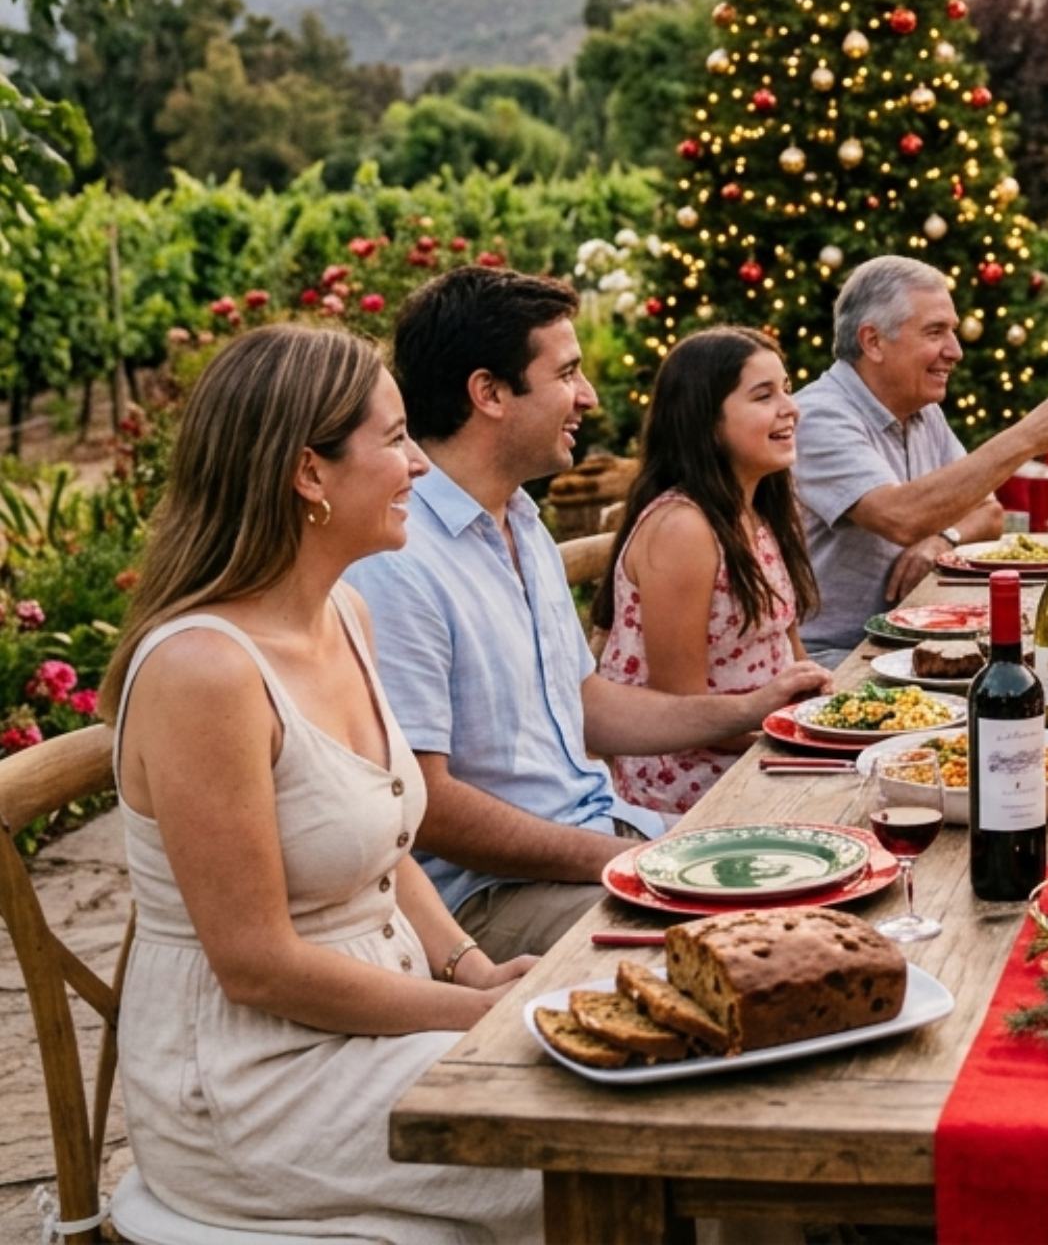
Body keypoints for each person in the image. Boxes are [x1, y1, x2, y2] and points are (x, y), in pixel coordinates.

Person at [103, 323, 540, 1240]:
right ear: (310, 473)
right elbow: (257, 965)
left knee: (638, 1088)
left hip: (379, 1024)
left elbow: (382, 843)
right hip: (257, 1083)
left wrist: (477, 967)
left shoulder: (344, 611)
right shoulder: (203, 673)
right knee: (601, 1137)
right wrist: (473, 1015)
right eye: (393, 439)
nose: (420, 463)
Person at [351, 268, 817, 961]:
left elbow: (585, 704)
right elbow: (427, 806)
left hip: (602, 830)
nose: (588, 397)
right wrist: (634, 856)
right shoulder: (402, 562)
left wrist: (757, 708)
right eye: (567, 373)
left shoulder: (520, 521)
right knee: (753, 948)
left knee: (813, 871)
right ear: (490, 394)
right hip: (494, 894)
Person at [795, 255, 1048, 657]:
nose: (955, 351)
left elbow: (988, 513)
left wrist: (943, 540)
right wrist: (1026, 437)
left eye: (952, 331)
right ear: (872, 341)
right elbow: (898, 517)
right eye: (935, 332)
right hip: (835, 656)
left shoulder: (920, 409)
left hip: (913, 639)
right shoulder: (819, 416)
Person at [591, 326, 828, 818]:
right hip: (694, 787)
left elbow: (793, 658)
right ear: (706, 421)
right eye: (764, 395)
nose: (791, 408)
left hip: (765, 748)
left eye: (786, 388)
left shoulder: (759, 509)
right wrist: (808, 740)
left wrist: (831, 718)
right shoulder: (683, 528)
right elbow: (683, 713)